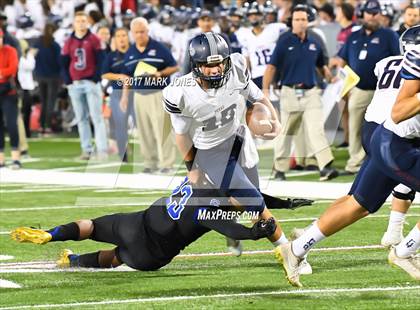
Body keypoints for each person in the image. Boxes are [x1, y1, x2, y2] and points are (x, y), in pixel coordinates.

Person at [162, 32, 315, 273]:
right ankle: (290, 252)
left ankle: (226, 223)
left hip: (240, 140)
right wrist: (192, 169)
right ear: (196, 65)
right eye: (207, 65)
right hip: (211, 151)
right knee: (254, 201)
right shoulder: (180, 92)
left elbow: (257, 98)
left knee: (251, 201)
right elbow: (181, 134)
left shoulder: (236, 68)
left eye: (218, 63)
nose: (215, 70)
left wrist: (274, 121)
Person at [275, 40, 420, 287]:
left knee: (359, 204)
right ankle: (404, 251)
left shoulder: (391, 62)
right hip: (395, 141)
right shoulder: (415, 57)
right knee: (362, 203)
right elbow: (399, 110)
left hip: (391, 136)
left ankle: (297, 248)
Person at [263, 4, 338, 182]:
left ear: (308, 21)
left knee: (316, 130)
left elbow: (321, 65)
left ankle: (325, 167)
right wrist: (265, 91)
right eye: (297, 19)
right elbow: (272, 67)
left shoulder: (314, 42)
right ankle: (279, 169)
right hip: (289, 92)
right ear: (292, 22)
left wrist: (329, 76)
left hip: (311, 92)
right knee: (286, 132)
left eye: (303, 19)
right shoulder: (284, 41)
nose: (300, 23)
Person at [337, 0, 400, 174]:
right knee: (355, 127)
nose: (373, 16)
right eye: (369, 12)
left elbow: (398, 61)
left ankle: (387, 163)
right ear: (362, 14)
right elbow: (342, 61)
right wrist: (342, 80)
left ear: (380, 14)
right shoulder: (354, 36)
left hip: (383, 93)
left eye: (376, 12)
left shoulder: (389, 35)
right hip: (358, 90)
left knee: (385, 128)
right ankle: (354, 163)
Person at [120, 17, 178, 174]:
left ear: (147, 31)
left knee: (162, 129)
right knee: (144, 131)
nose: (140, 35)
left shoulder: (159, 48)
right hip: (139, 95)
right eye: (136, 32)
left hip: (158, 93)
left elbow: (174, 67)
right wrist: (125, 96)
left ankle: (167, 164)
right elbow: (127, 77)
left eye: (142, 32)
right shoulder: (130, 52)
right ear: (132, 33)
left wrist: (160, 72)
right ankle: (150, 163)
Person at [61, 11, 108, 160]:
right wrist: (68, 80)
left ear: (87, 22)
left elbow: (101, 60)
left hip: (90, 83)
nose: (81, 24)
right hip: (75, 83)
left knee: (97, 117)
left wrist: (95, 78)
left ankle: (102, 150)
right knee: (81, 118)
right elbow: (63, 62)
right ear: (74, 23)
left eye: (83, 21)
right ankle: (86, 149)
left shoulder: (94, 39)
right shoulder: (69, 41)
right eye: (78, 21)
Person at [101, 27, 132, 162]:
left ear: (128, 37)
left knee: (141, 124)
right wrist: (119, 76)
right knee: (120, 124)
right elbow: (104, 73)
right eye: (118, 36)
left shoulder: (135, 53)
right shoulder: (111, 56)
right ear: (115, 39)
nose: (121, 38)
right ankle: (123, 154)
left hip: (136, 92)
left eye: (124, 35)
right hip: (117, 94)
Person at [33, 23, 62, 135]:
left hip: (40, 76)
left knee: (43, 101)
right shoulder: (55, 45)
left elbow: (33, 58)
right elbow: (60, 61)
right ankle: (48, 126)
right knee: (50, 102)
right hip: (53, 77)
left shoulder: (37, 44)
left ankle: (41, 126)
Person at [0, 28, 20, 169]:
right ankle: (1, 159)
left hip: (9, 92)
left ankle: (15, 158)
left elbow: (13, 68)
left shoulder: (10, 50)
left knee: (12, 125)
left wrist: (2, 73)